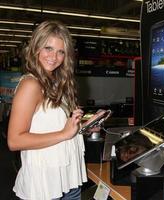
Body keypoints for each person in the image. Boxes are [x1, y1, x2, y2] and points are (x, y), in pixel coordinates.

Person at [7, 20, 104, 200]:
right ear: (36, 48)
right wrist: (64, 134)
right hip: (44, 186)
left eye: (60, 52)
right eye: (48, 48)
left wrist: (83, 126)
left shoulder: (59, 82)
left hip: (68, 179)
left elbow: (57, 126)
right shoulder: (31, 84)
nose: (54, 57)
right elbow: (14, 140)